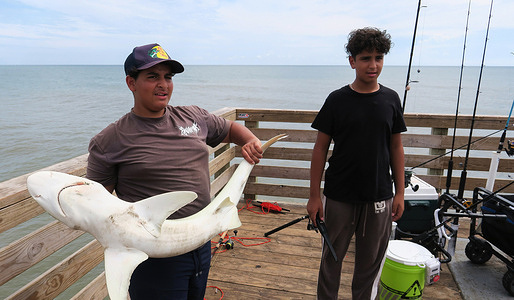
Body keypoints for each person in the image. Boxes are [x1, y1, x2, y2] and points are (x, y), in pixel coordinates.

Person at [86, 43, 263, 299]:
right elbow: (98, 206)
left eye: (168, 77)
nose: (163, 84)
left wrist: (249, 140)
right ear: (131, 83)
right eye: (152, 76)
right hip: (154, 256)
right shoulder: (110, 140)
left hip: (200, 242)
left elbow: (229, 128)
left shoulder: (194, 117)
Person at [306, 27, 406, 299]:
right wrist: (314, 196)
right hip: (339, 195)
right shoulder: (337, 100)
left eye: (378, 57)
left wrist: (400, 192)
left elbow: (396, 147)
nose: (373, 65)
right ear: (352, 61)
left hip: (379, 195)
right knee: (332, 259)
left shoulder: (391, 99)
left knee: (370, 263)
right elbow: (319, 149)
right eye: (365, 58)